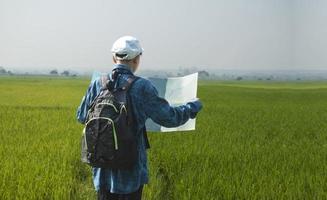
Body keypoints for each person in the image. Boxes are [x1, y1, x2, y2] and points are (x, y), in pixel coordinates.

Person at [76, 36, 203, 200]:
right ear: (136, 59)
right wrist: (192, 107)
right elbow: (170, 118)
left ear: (114, 58)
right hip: (130, 174)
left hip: (102, 172)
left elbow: (81, 116)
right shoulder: (142, 86)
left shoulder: (98, 83)